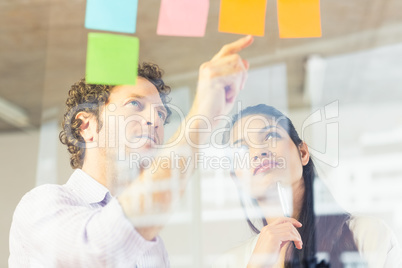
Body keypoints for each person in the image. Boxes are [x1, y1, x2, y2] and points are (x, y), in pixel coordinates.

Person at [9, 35, 254, 267]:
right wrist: (202, 119)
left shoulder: (150, 243)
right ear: (87, 126)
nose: (154, 120)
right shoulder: (41, 205)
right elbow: (99, 252)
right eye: (135, 104)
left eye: (161, 114)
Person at [214, 104, 402, 268]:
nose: (258, 152)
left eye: (270, 136)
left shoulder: (367, 235)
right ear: (237, 180)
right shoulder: (230, 262)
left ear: (303, 152)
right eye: (241, 149)